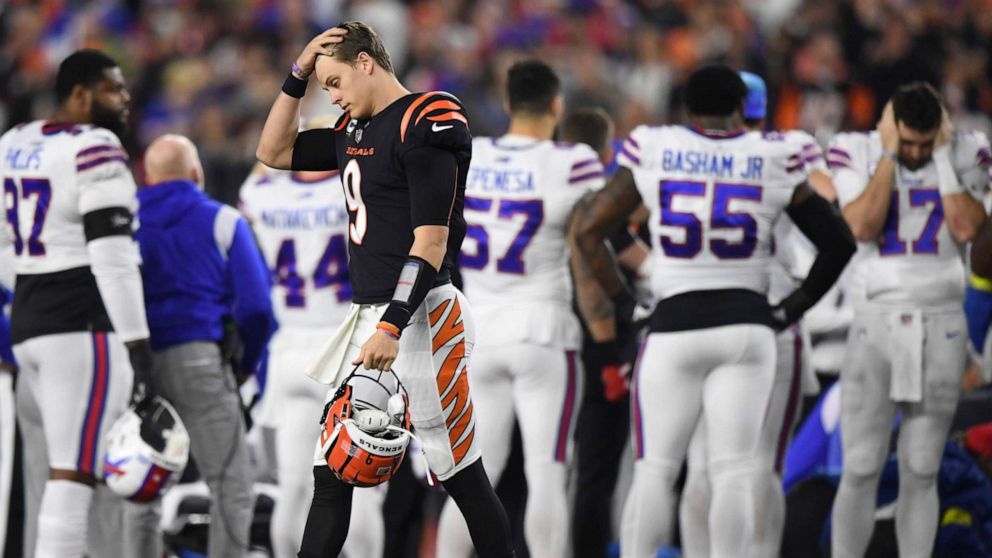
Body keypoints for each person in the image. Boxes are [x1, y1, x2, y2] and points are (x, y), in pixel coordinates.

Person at [572, 64, 855, 558]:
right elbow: (839, 242)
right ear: (743, 111)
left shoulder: (657, 147)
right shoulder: (773, 155)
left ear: (685, 108)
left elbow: (589, 229)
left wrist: (626, 303)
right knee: (735, 470)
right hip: (748, 327)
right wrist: (791, 309)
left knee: (656, 469)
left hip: (673, 325)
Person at [254, 21, 513, 557]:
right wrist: (298, 73)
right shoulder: (355, 128)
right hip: (370, 317)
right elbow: (273, 151)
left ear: (366, 62)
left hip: (421, 314)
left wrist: (393, 322)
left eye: (334, 80)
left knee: (458, 471)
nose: (330, 94)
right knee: (334, 466)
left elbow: (432, 240)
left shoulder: (426, 117)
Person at [433, 60, 604, 558]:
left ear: (507, 104)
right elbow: (602, 234)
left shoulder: (472, 153)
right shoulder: (573, 162)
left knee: (470, 475)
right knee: (547, 470)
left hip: (476, 333)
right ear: (557, 105)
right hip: (543, 330)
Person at [0, 49, 155, 557]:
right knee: (73, 475)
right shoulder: (96, 147)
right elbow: (112, 257)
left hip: (28, 319)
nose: (126, 98)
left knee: (58, 472)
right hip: (80, 324)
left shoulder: (15, 141)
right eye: (114, 88)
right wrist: (138, 344)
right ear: (81, 95)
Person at [678, 70, 836, 558]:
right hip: (770, 317)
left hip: (694, 315)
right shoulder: (786, 151)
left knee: (701, 462)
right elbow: (831, 206)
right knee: (761, 463)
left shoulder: (680, 150)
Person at [828, 81, 990, 558]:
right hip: (875, 319)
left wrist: (941, 159)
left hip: (941, 321)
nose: (915, 153)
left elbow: (965, 229)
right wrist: (888, 155)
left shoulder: (966, 150)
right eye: (909, 142)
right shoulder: (855, 148)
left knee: (922, 467)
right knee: (859, 465)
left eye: (925, 143)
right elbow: (861, 226)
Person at [132, 134, 276, 558]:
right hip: (200, 361)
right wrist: (245, 363)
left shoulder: (123, 220)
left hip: (134, 364)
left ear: (147, 177)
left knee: (138, 486)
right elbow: (256, 309)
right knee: (231, 485)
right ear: (196, 174)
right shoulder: (223, 220)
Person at [240, 142, 385, 558]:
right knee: (362, 482)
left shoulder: (265, 195)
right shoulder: (355, 189)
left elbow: (260, 168)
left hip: (290, 354)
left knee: (295, 486)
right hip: (346, 350)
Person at [564, 107, 650, 558]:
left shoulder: (545, 188)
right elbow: (605, 264)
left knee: (542, 466)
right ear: (605, 150)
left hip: (549, 336)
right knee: (596, 471)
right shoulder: (596, 199)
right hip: (599, 344)